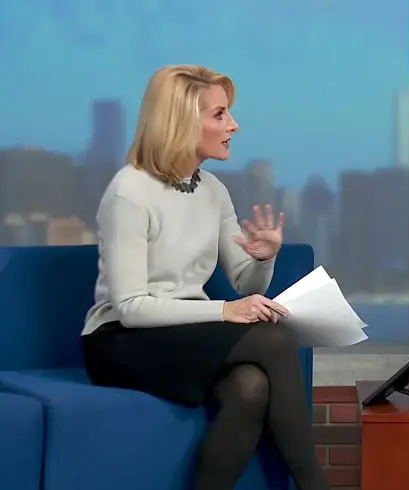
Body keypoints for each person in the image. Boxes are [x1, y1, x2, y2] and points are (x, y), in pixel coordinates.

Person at [80, 64, 330, 490]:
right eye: (219, 114)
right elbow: (132, 308)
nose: (234, 125)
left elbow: (247, 285)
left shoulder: (212, 189)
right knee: (272, 339)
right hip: (120, 340)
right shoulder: (129, 192)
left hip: (183, 333)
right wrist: (226, 311)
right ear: (180, 121)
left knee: (250, 387)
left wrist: (264, 259)